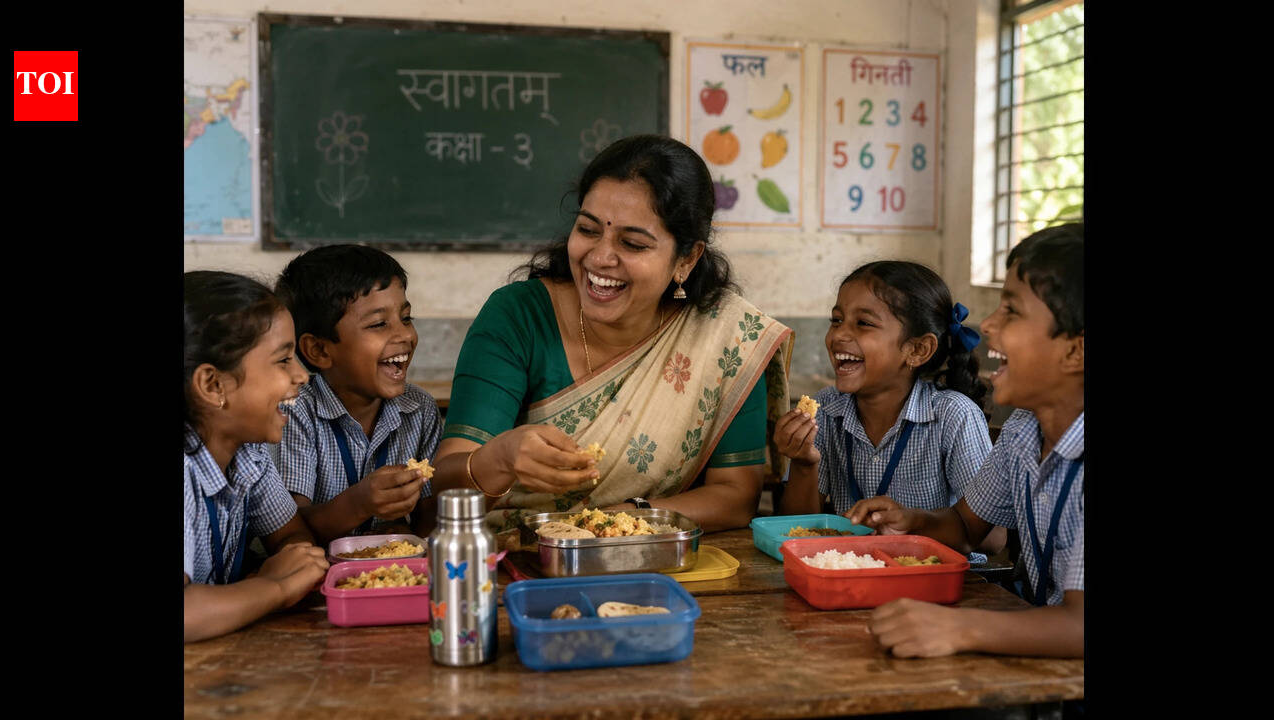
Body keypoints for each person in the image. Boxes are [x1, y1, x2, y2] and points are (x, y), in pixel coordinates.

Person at [421, 135, 793, 542]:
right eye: (587, 229)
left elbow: (736, 496)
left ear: (686, 259)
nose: (599, 257)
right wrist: (500, 458)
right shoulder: (518, 316)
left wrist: (624, 520)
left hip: (653, 558)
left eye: (632, 243)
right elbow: (445, 492)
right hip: (512, 558)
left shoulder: (728, 338)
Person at [848, 224, 1084, 658]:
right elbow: (964, 528)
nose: (988, 324)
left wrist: (960, 628)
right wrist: (913, 521)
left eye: (1011, 311)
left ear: (1075, 351)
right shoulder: (1023, 432)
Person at [774, 261, 1002, 555]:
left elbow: (993, 539)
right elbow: (798, 531)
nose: (838, 335)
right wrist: (804, 464)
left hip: (935, 576)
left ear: (917, 350)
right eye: (837, 320)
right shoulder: (828, 410)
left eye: (864, 323)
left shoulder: (953, 416)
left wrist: (913, 523)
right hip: (855, 572)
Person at [184, 271, 329, 643]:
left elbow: (290, 533)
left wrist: (297, 564)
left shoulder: (250, 453)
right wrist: (274, 588)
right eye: (283, 360)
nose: (302, 375)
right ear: (213, 385)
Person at [274, 245, 443, 544]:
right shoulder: (294, 412)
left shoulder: (420, 409)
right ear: (320, 350)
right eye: (379, 324)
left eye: (406, 318)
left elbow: (429, 517)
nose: (405, 334)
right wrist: (359, 504)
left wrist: (408, 532)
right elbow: (288, 530)